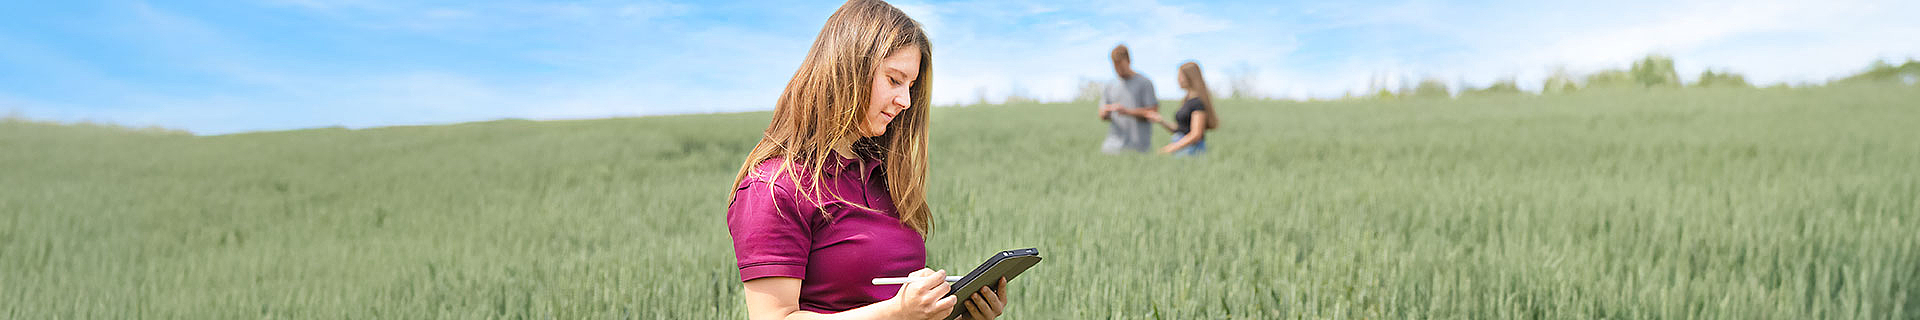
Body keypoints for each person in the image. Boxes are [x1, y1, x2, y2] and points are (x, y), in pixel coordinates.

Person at [726, 1, 1009, 319]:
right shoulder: (774, 187)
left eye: (911, 86)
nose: (905, 101)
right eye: (894, 80)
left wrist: (953, 312)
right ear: (848, 70)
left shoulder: (879, 176)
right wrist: (898, 311)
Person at [1145, 61, 1219, 156]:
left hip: (1191, 150)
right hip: (1184, 148)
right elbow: (1182, 129)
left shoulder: (1197, 103)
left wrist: (1171, 148)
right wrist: (1161, 121)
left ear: (1189, 77)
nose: (1178, 80)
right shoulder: (1188, 101)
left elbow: (1196, 134)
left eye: (1180, 76)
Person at [1096, 44, 1160, 154]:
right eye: (1115, 66)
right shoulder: (1110, 85)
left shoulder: (1145, 83)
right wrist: (1105, 112)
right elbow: (1101, 115)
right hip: (1112, 147)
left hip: (1138, 147)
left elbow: (1153, 112)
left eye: (1121, 65)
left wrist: (1127, 112)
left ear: (1129, 61)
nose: (1118, 70)